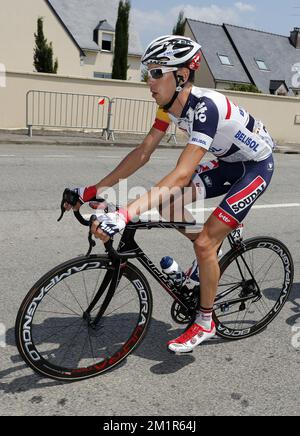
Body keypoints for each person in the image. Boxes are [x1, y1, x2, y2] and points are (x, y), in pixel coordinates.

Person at [64, 35, 275, 354]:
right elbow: (143, 153)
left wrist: (124, 214)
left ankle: (206, 321)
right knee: (171, 204)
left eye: (156, 71)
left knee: (204, 242)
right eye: (147, 71)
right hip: (228, 163)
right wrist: (94, 190)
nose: (149, 80)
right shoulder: (169, 108)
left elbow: (180, 173)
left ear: (181, 76)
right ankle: (202, 268)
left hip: (254, 167)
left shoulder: (205, 108)